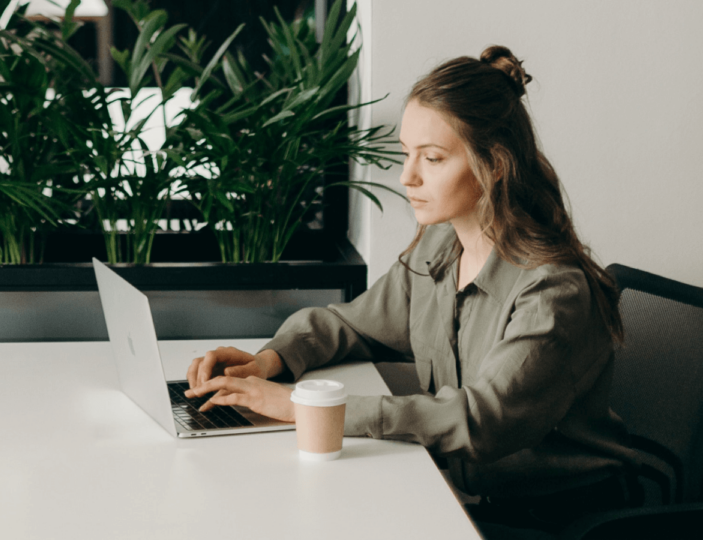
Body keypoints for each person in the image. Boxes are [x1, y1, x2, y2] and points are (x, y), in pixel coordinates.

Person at [184, 45, 639, 535]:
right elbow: (349, 322)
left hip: (563, 518)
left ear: (495, 165)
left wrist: (299, 407)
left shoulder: (553, 290)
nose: (408, 177)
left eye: (434, 158)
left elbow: (481, 422)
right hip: (469, 494)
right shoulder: (440, 247)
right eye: (407, 154)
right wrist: (270, 362)